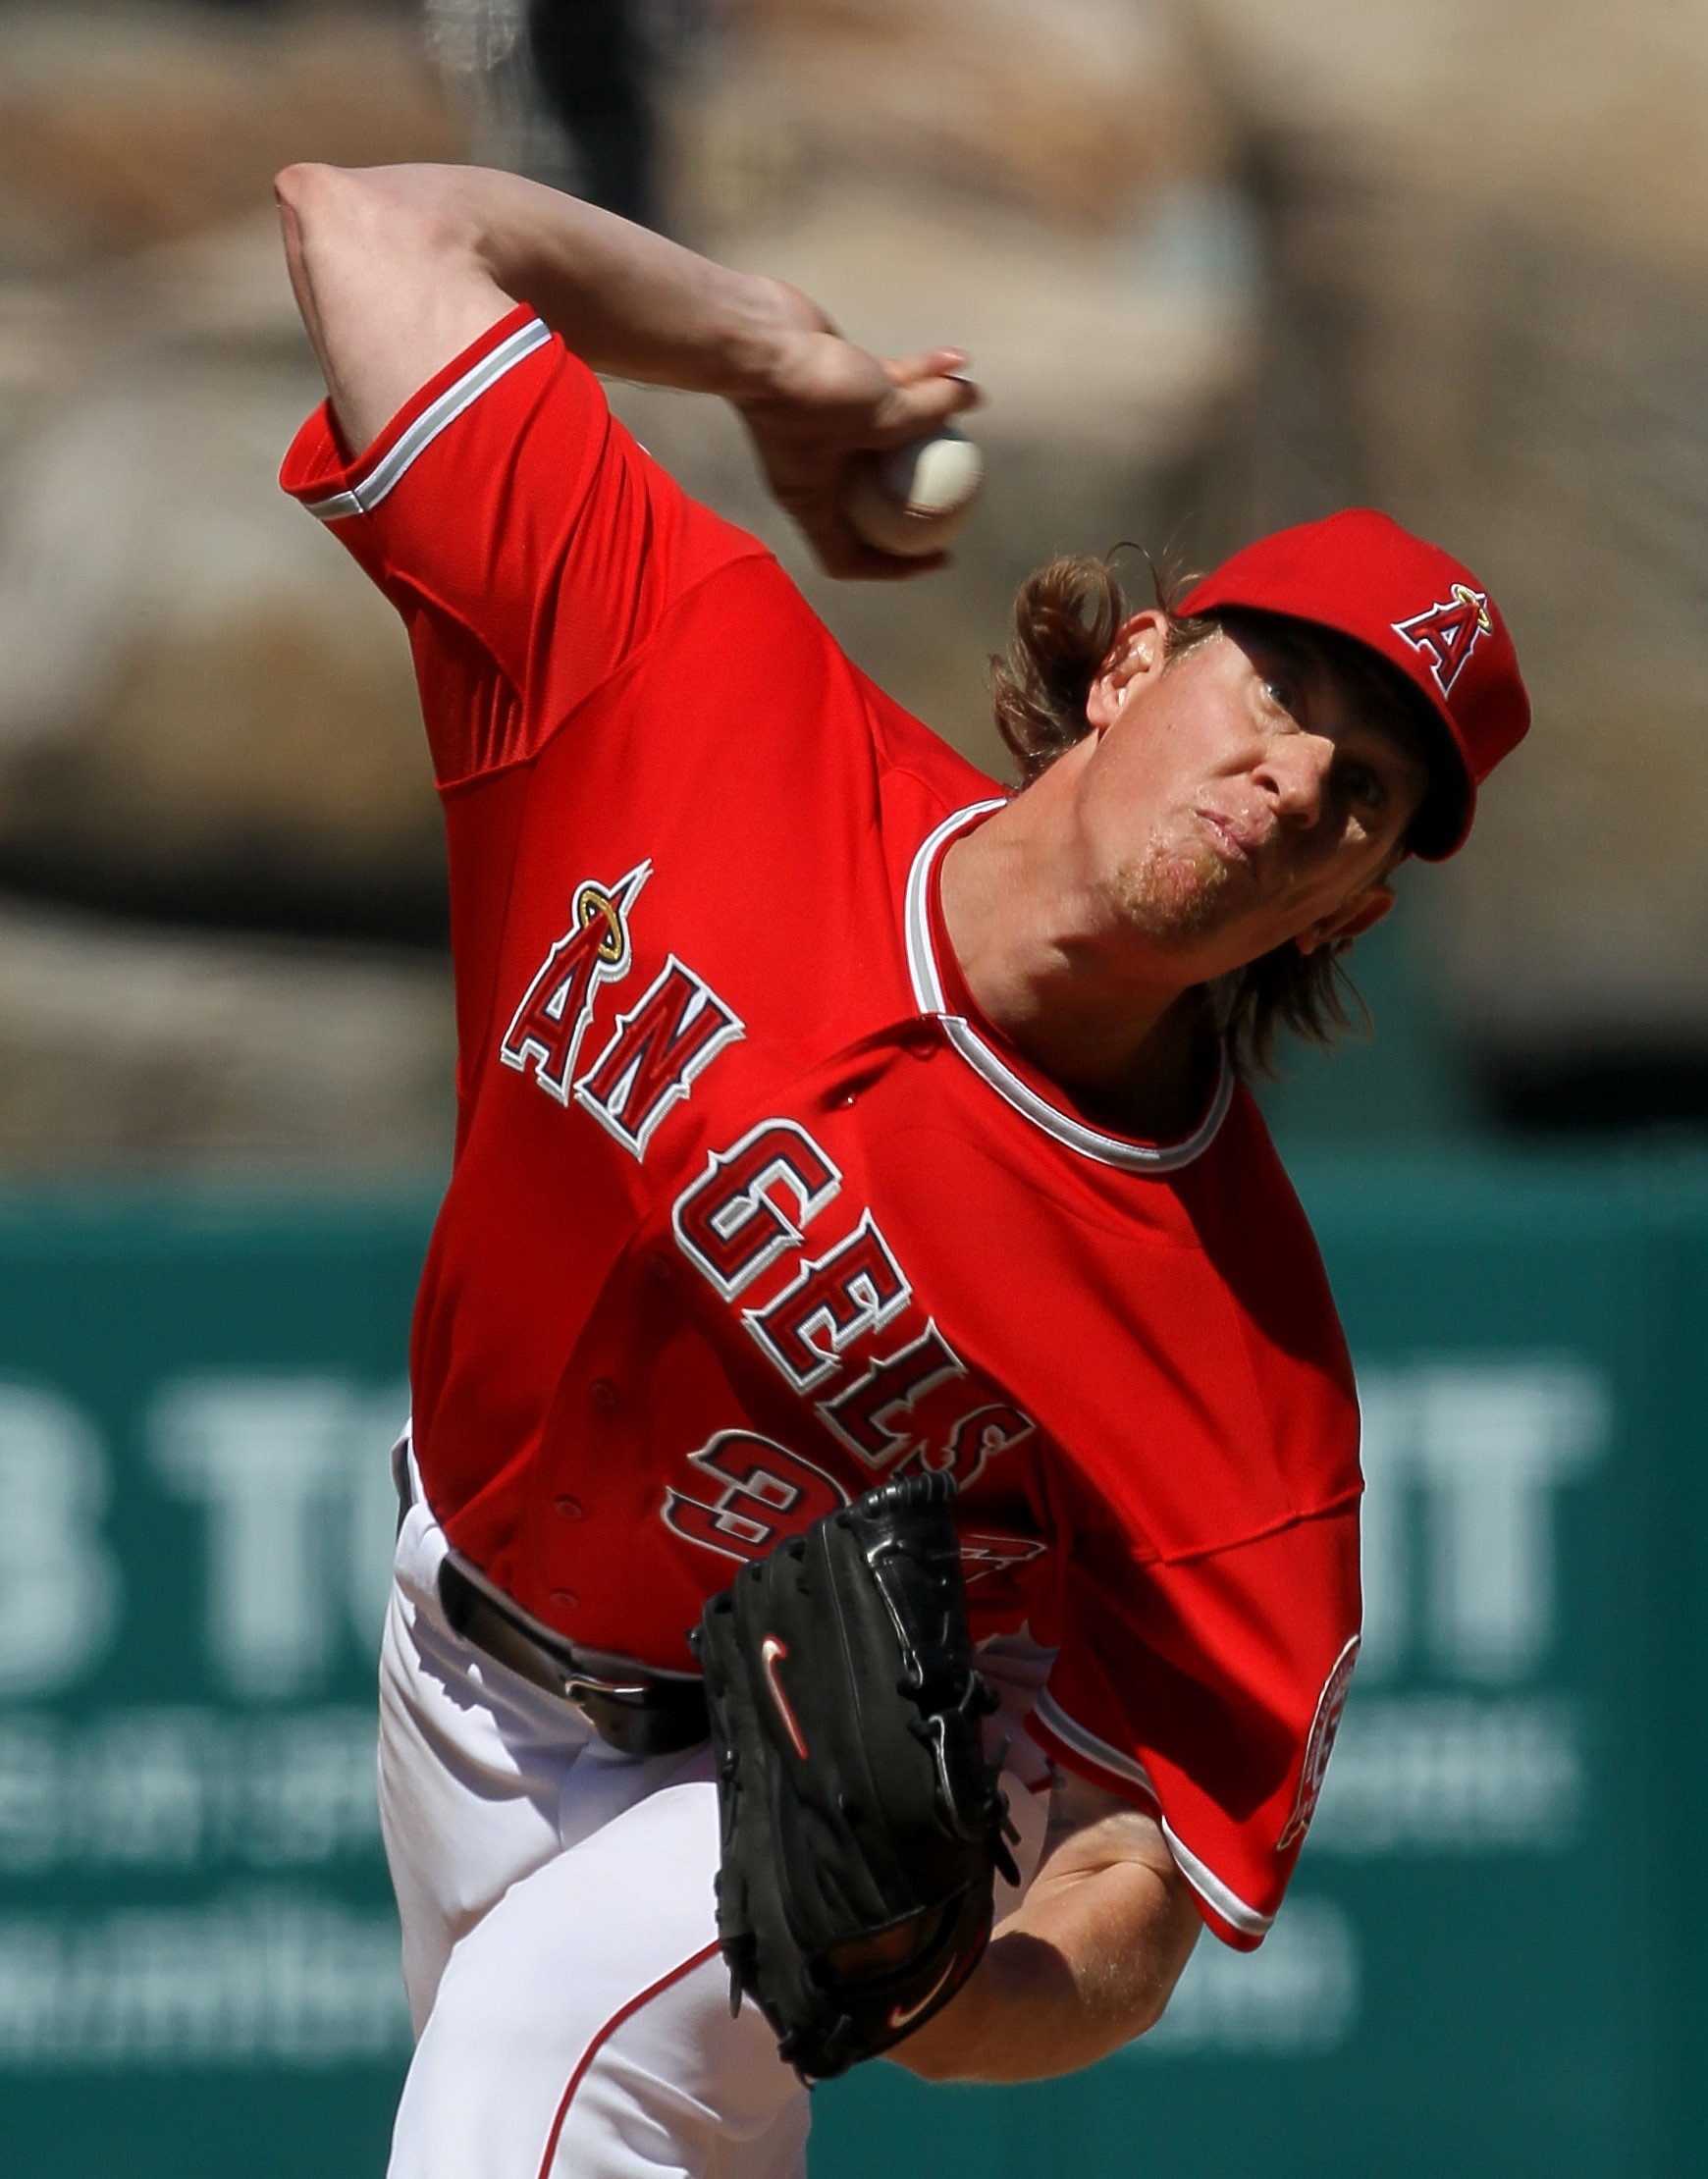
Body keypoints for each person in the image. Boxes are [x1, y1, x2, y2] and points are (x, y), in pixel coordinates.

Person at [273, 162, 1528, 2179]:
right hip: (454, 1650)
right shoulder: (684, 674)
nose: (1295, 778)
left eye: (1363, 794)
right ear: (1132, 669)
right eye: (1281, 690)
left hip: (810, 1804)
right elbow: (371, 225)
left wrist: (963, 1996)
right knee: (531, 2086)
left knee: (535, 2048)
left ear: (1343, 913)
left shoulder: (1241, 1361)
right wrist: (766, 349)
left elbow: (1144, 1865)